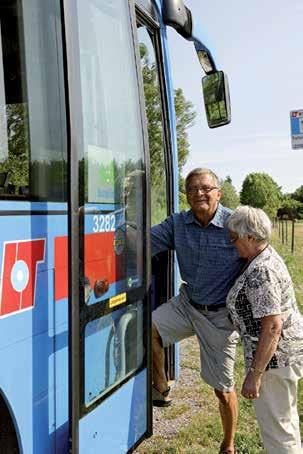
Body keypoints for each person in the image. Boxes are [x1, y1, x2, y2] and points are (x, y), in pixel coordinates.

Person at [151, 168, 245, 454]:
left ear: (218, 192)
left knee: (222, 388)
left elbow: (260, 257)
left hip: (220, 316)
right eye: (192, 189)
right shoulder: (178, 223)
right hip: (187, 304)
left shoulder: (235, 224)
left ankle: (228, 446)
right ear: (186, 195)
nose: (199, 193)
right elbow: (142, 241)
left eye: (205, 188)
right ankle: (162, 385)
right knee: (148, 327)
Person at [226, 206, 303, 454]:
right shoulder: (262, 257)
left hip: (274, 361)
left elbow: (272, 326)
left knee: (277, 432)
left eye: (234, 237)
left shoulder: (262, 270)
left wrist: (255, 374)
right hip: (282, 358)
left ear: (250, 237)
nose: (231, 242)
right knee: (285, 425)